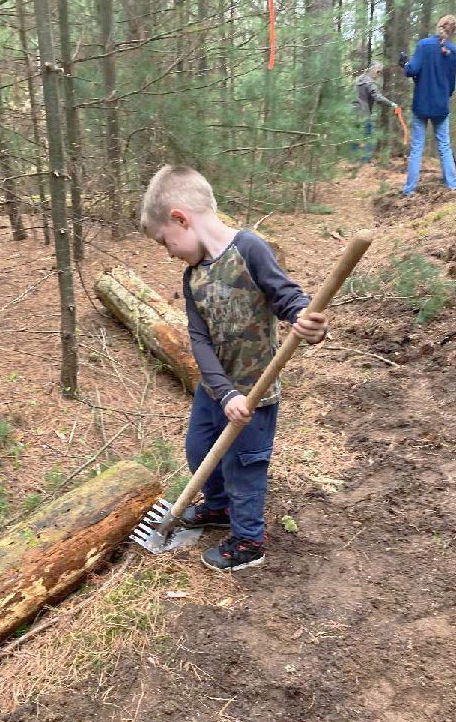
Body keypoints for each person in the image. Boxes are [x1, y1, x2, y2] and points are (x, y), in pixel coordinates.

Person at [140, 165, 327, 572]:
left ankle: (247, 540)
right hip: (215, 392)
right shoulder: (193, 278)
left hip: (255, 396)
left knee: (245, 466)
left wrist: (306, 320)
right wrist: (223, 393)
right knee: (198, 450)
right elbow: (200, 340)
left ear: (180, 218)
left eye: (165, 242)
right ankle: (218, 508)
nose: (168, 252)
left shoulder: (249, 250)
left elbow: (288, 298)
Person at [399, 14, 456, 196]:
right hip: (441, 106)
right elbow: (451, 85)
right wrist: (443, 96)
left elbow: (412, 71)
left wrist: (404, 63)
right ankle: (451, 185)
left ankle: (409, 189)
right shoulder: (453, 52)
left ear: (439, 25)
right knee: (444, 145)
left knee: (417, 147)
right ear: (452, 31)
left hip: (421, 105)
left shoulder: (424, 45)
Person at [351, 62, 398, 163]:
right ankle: (365, 162)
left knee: (354, 137)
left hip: (353, 112)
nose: (378, 74)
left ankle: (353, 161)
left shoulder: (358, 80)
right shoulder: (369, 83)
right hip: (364, 113)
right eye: (378, 72)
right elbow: (377, 97)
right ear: (374, 70)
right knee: (367, 137)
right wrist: (392, 104)